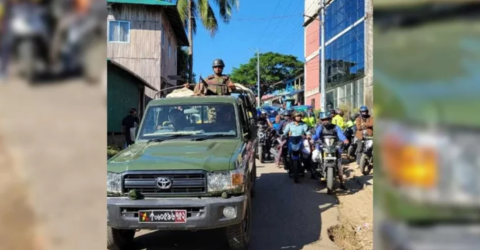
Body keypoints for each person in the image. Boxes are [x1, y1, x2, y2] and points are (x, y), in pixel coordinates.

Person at [312, 111, 349, 190]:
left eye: (327, 119)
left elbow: (340, 135)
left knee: (339, 165)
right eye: (323, 120)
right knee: (314, 157)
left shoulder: (336, 127)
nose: (325, 121)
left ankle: (342, 183)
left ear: (330, 119)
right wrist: (313, 139)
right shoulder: (320, 127)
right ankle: (316, 172)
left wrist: (345, 139)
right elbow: (317, 135)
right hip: (322, 146)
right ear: (321, 120)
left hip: (334, 146)